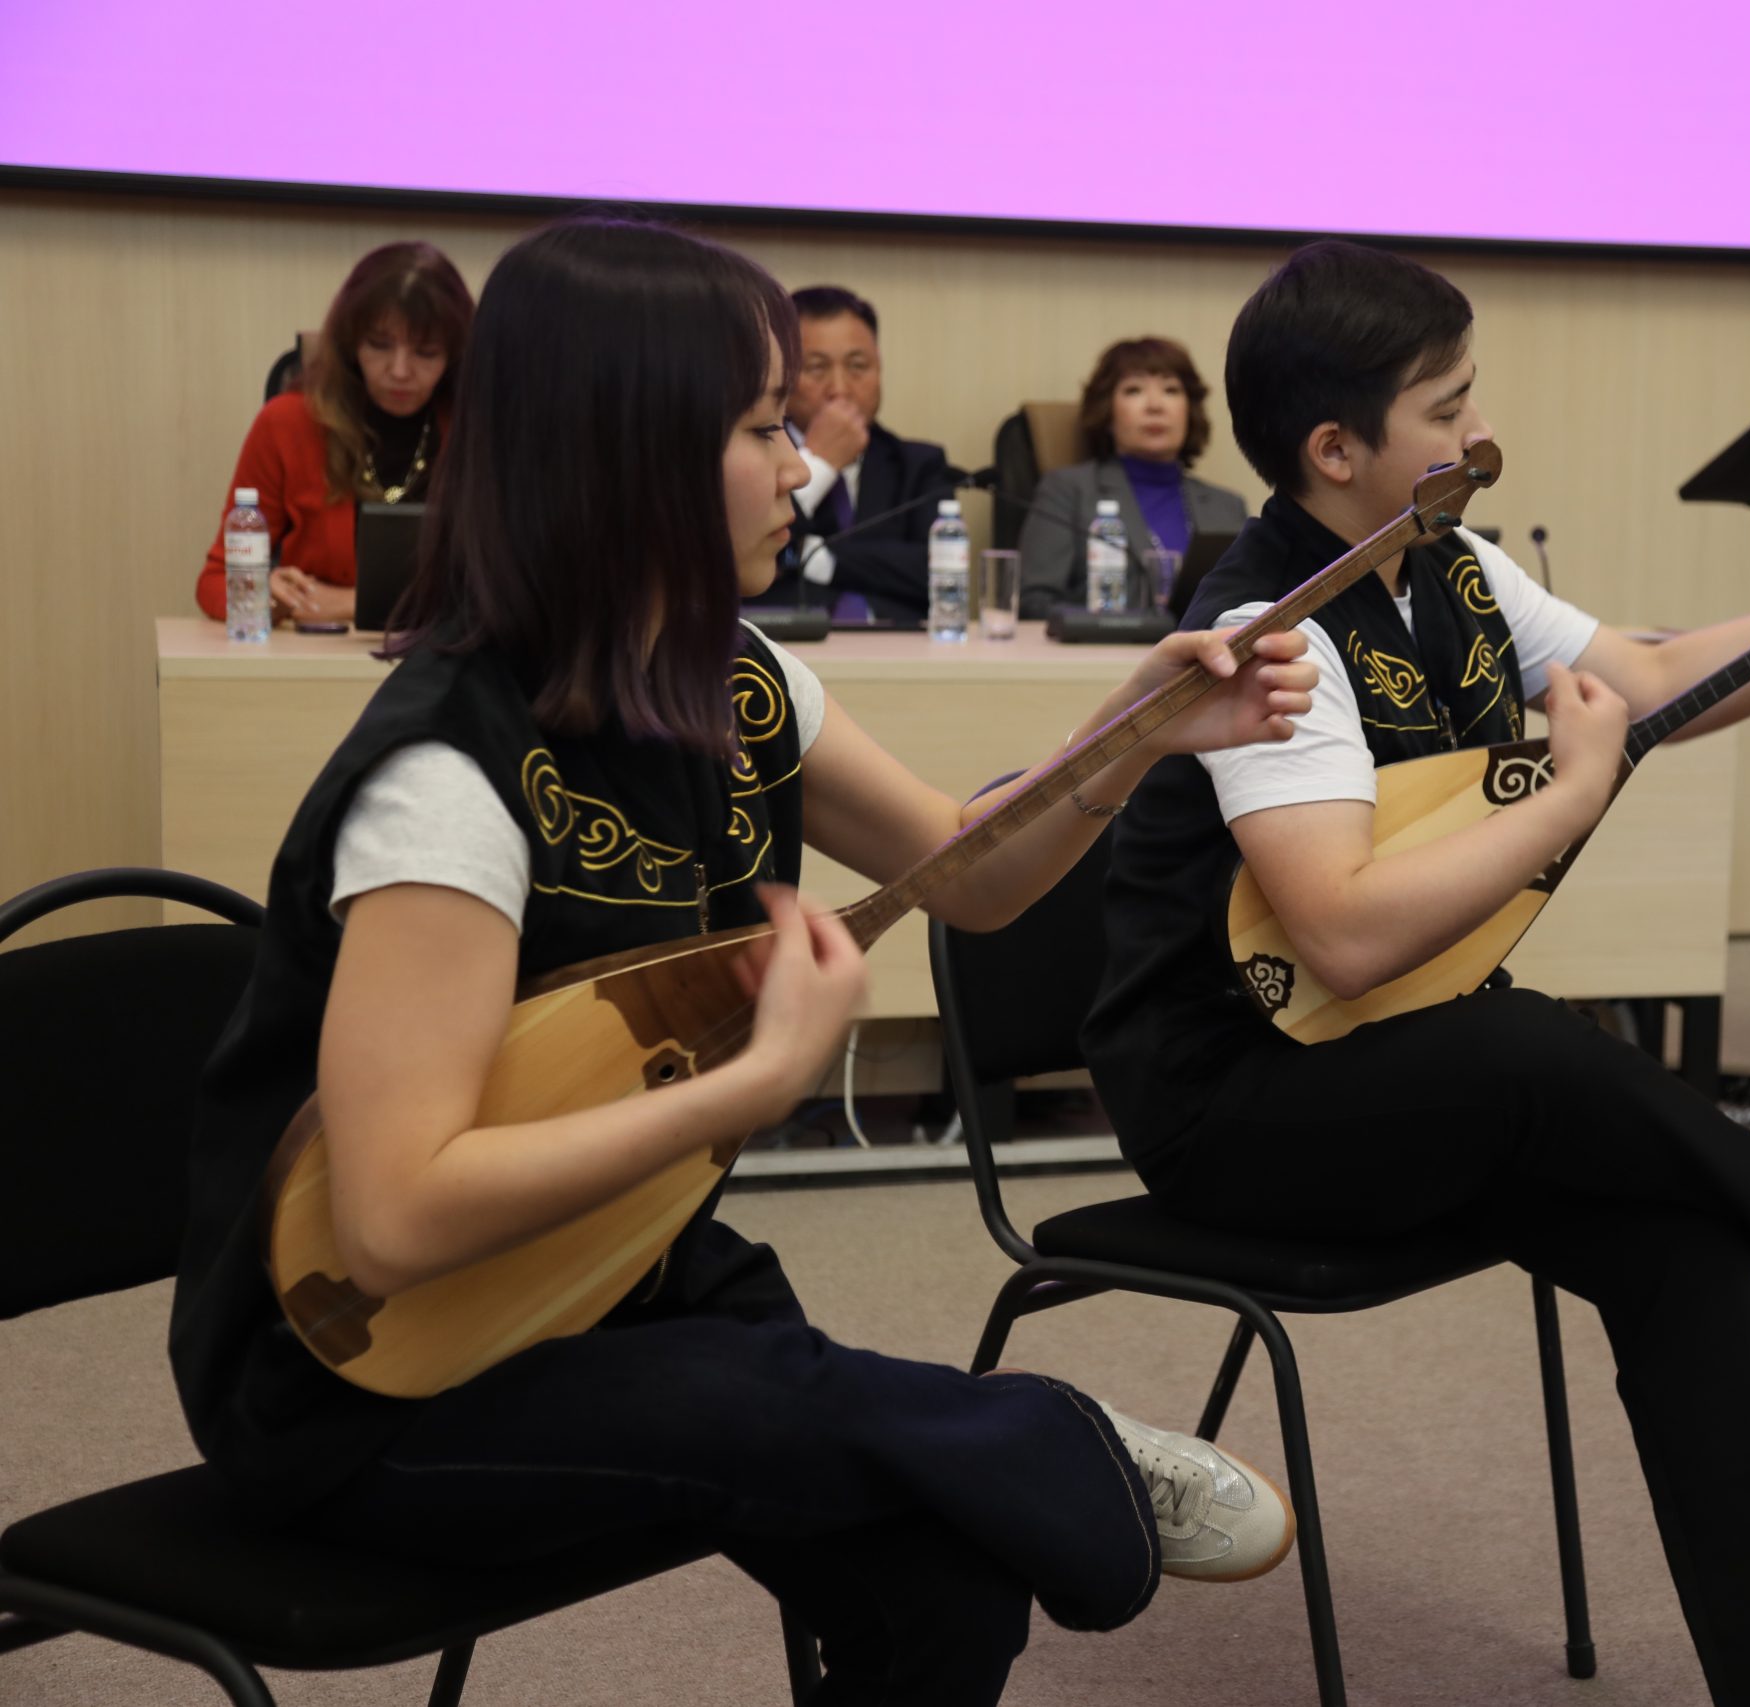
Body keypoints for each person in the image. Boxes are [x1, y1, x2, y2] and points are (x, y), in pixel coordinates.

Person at [167, 218, 1323, 1705]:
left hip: (606, 1263)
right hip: (363, 1380)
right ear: (633, 453)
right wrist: (754, 1083)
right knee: (773, 1400)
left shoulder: (739, 677)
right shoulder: (445, 779)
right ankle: (1047, 1434)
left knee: (947, 1573)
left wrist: (1138, 732)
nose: (800, 468)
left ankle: (1019, 1442)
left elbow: (965, 871)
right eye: (765, 426)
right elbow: (390, 1220)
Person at [1082, 239, 1750, 1706]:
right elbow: (1341, 932)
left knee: (1680, 1241)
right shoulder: (1275, 639)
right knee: (1527, 1046)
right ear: (1336, 450)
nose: (1479, 432)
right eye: (1446, 407)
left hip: (1396, 1063)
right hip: (1237, 1103)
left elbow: (1653, 682)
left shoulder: (1449, 563)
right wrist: (1573, 793)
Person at [194, 241, 472, 626]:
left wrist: (351, 604)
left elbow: (509, 593)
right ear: (350, 342)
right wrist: (262, 594)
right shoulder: (287, 423)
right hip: (317, 656)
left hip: (444, 655)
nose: (400, 371)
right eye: (379, 345)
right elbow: (214, 582)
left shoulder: (477, 429)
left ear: (455, 354)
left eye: (426, 352)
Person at [754, 284, 960, 624]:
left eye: (858, 366)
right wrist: (819, 464)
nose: (840, 389)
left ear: (879, 370)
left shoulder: (918, 464)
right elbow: (745, 556)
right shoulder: (752, 457)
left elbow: (940, 572)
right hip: (784, 644)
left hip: (898, 647)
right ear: (781, 376)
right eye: (816, 367)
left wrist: (815, 557)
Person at [1019, 336, 1249, 618]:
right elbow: (1034, 601)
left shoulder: (1228, 507)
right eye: (1134, 390)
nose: (1155, 406)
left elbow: (1253, 604)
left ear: (1189, 410)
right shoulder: (1067, 492)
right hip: (1103, 647)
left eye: (1171, 390)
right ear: (1107, 410)